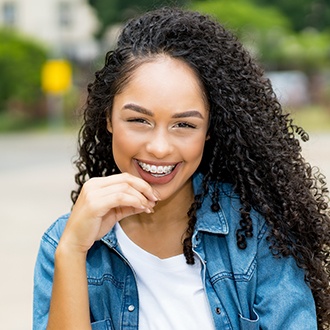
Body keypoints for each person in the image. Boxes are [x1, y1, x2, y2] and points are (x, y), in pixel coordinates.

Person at [33, 7, 330, 330]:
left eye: (184, 125)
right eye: (138, 120)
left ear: (209, 130)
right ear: (108, 118)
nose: (160, 147)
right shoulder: (64, 242)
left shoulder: (258, 233)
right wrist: (73, 251)